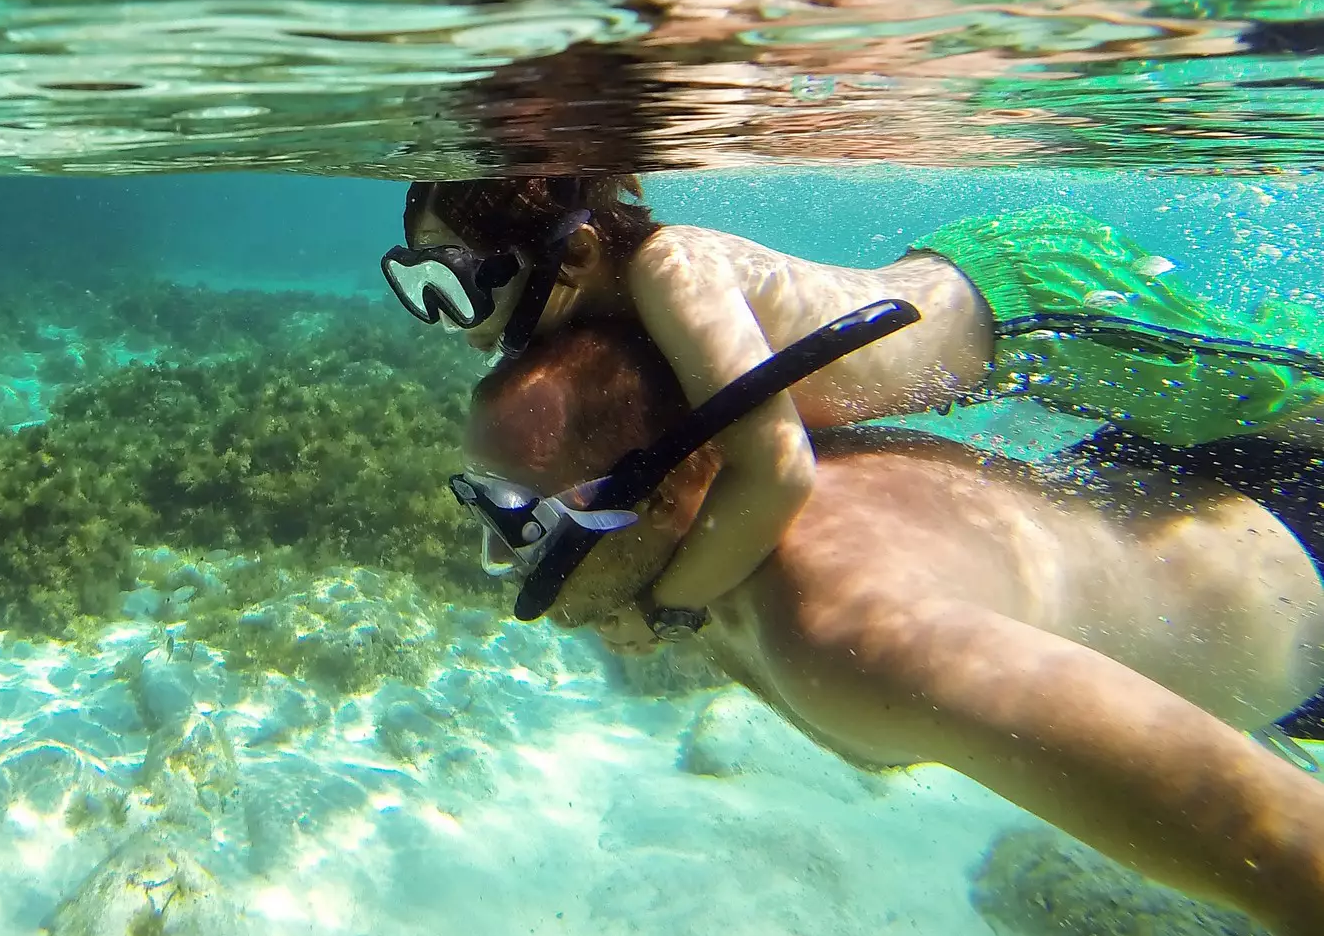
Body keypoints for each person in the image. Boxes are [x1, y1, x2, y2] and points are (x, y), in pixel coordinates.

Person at [463, 314, 1324, 936]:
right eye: (484, 503)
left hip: (1292, 572)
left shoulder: (848, 632)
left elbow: (1280, 841)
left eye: (522, 520)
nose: (504, 560)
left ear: (657, 493)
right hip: (1163, 485)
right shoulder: (732, 497)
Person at [383, 176, 1324, 637]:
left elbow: (777, 468)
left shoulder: (672, 272)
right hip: (987, 293)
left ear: (577, 252)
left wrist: (669, 609)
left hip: (1039, 303)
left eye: (456, 281)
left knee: (1274, 391)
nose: (447, 317)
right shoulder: (604, 310)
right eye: (415, 283)